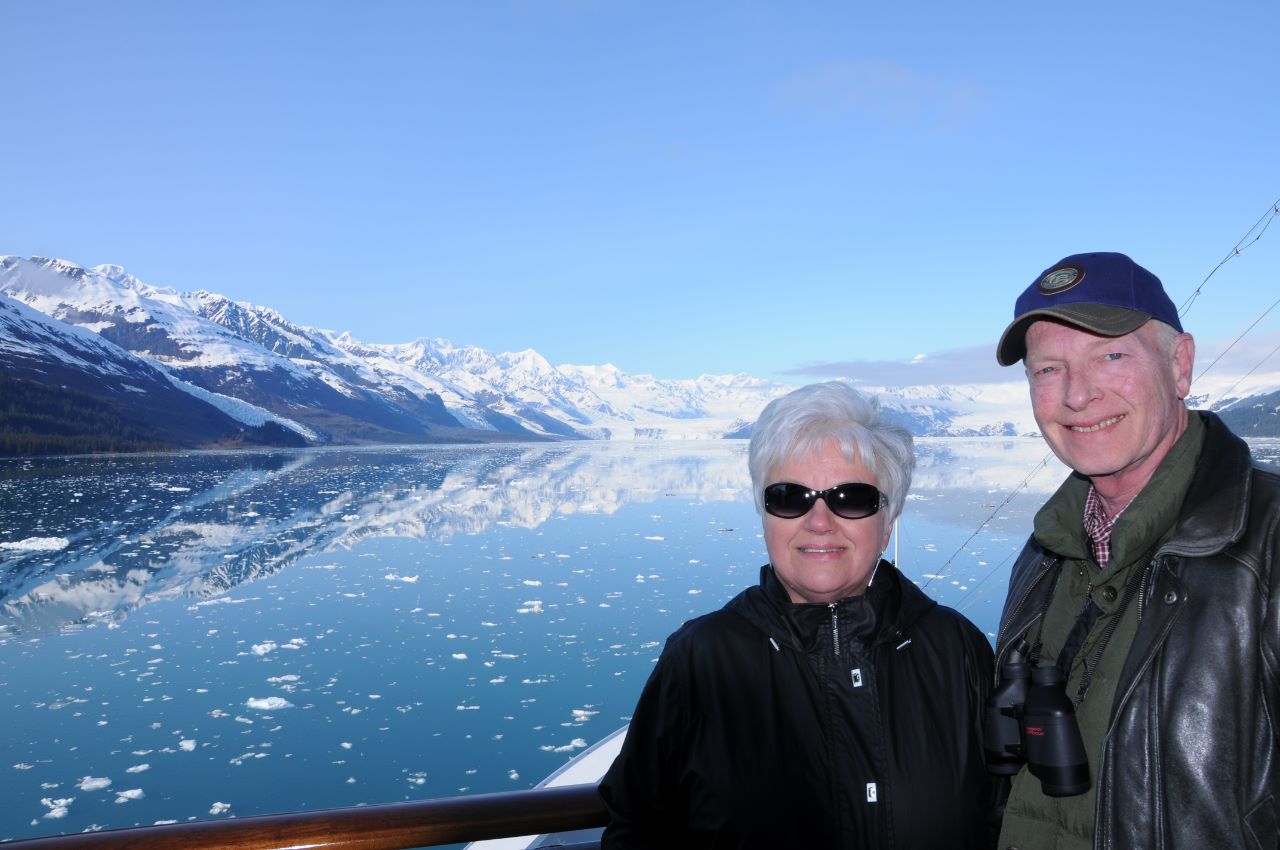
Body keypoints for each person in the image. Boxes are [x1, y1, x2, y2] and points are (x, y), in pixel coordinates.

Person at [599, 381, 997, 849]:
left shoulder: (955, 649)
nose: (820, 521)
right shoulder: (703, 660)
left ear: (887, 523)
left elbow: (1004, 817)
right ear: (764, 517)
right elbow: (637, 829)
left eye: (851, 497)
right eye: (790, 497)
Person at [991, 251, 1280, 849]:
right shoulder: (1043, 555)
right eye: (1047, 370)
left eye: (1112, 356)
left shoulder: (1268, 544)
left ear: (1180, 366)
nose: (1076, 395)